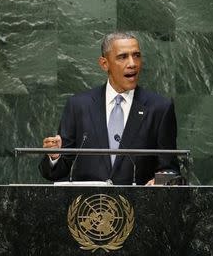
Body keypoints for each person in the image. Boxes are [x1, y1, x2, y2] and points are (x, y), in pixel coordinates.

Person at [39, 32, 179, 185]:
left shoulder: (160, 108)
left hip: (138, 205)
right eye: (123, 57)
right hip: (88, 206)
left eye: (136, 55)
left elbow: (170, 169)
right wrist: (54, 157)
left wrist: (159, 182)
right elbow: (57, 172)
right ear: (104, 64)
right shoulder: (78, 106)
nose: (132, 63)